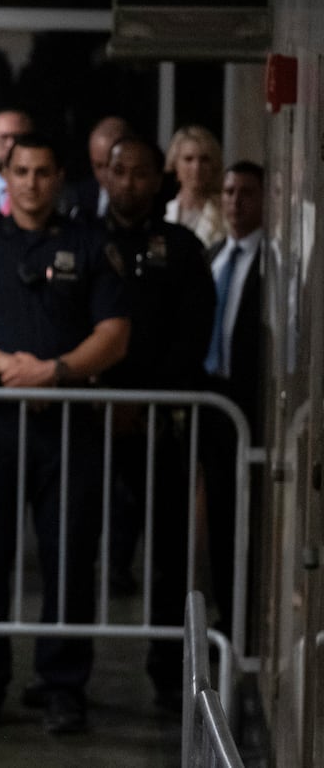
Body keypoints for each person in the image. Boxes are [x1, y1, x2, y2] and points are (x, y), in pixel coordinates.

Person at [0, 134, 130, 735]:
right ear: (6, 175)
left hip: (69, 429)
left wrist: (57, 370)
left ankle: (64, 688)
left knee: (69, 559)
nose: (32, 182)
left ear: (60, 178)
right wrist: (6, 367)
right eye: (21, 171)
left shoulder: (91, 243)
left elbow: (115, 333)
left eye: (43, 171)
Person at [91, 135, 214, 710]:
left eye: (142, 173)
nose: (131, 183)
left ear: (158, 180)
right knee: (76, 549)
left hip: (163, 422)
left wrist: (146, 397)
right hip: (87, 418)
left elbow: (193, 334)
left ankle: (171, 673)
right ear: (105, 176)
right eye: (121, 172)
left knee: (169, 554)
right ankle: (65, 676)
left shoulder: (184, 248)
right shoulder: (84, 239)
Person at [200, 160, 266, 641]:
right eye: (227, 192)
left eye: (245, 193)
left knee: (251, 515)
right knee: (218, 516)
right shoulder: (215, 255)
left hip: (251, 403)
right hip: (213, 403)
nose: (235, 202)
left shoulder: (274, 263)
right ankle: (225, 608)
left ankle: (250, 616)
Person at [164, 125, 226, 248]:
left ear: (214, 165)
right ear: (174, 164)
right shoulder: (164, 210)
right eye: (188, 159)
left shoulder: (226, 212)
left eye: (204, 159)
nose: (196, 167)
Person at [69, 116, 131, 220]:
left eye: (111, 166)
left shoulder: (146, 199)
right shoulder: (80, 198)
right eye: (98, 166)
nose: (105, 174)